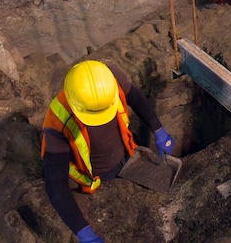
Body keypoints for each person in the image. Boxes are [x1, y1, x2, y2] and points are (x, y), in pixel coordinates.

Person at [41, 60, 174, 243]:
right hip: (98, 175)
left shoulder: (110, 80)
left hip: (129, 153)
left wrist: (158, 130)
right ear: (74, 104)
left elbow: (136, 98)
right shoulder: (56, 122)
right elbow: (55, 183)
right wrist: (84, 233)